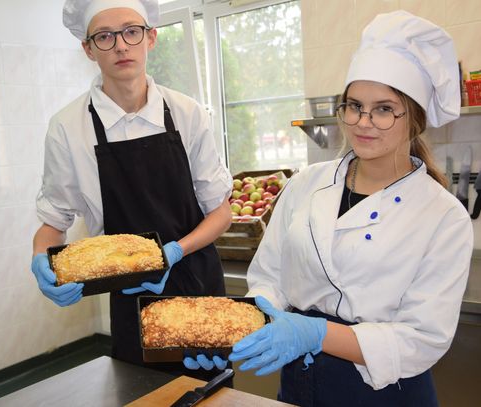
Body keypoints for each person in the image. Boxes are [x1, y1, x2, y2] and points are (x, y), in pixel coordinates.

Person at [186, 10, 473, 406]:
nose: (363, 121)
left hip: (385, 391)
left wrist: (316, 333)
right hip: (301, 379)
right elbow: (269, 272)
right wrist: (248, 322)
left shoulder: (443, 216)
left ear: (416, 119)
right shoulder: (307, 184)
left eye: (384, 108)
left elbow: (421, 340)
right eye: (353, 105)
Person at [30, 0, 233, 378]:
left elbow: (221, 213)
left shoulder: (188, 113)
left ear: (150, 38)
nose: (121, 45)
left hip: (200, 284)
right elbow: (53, 224)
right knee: (142, 392)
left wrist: (172, 253)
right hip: (131, 294)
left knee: (214, 393)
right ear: (88, 49)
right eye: (104, 37)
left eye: (131, 31)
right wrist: (42, 259)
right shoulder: (67, 128)